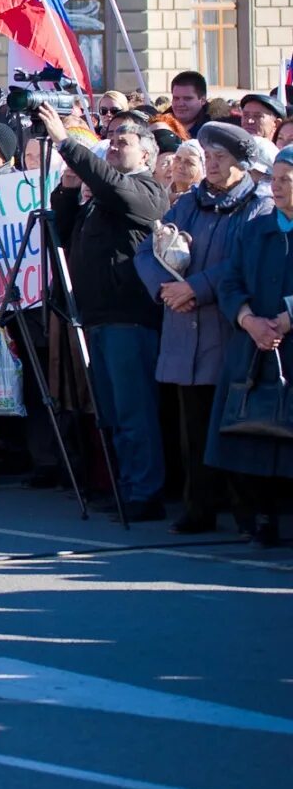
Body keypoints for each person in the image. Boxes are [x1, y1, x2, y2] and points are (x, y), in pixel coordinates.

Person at [133, 122, 271, 534]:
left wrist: (196, 288)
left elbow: (241, 262)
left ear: (242, 163)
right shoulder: (189, 203)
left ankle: (250, 513)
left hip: (227, 332)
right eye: (208, 157)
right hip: (183, 330)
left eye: (221, 158)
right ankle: (199, 508)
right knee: (192, 429)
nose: (211, 165)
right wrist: (165, 289)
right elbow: (149, 248)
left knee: (238, 426)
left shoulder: (258, 205)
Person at [41, 102, 171, 520]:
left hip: (128, 317)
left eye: (124, 142)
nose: (113, 147)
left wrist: (66, 143)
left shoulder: (145, 191)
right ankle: (122, 485)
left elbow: (116, 189)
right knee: (113, 412)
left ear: (147, 154)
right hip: (97, 316)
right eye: (111, 140)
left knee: (135, 412)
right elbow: (59, 231)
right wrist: (65, 185)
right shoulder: (97, 197)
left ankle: (144, 492)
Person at [209, 144, 293, 547]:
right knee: (254, 438)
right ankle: (261, 516)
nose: (275, 188)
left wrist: (287, 318)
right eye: (274, 179)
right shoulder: (257, 227)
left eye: (285, 181)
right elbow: (230, 280)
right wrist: (248, 319)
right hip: (255, 347)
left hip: (287, 344)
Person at [157, 71, 210, 139]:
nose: (180, 104)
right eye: (176, 98)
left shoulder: (214, 131)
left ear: (202, 100)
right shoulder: (158, 127)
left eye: (187, 98)